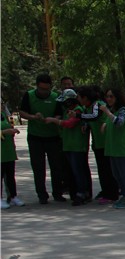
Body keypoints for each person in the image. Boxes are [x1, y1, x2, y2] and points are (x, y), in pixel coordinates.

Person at [19, 73, 67, 203]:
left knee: (56, 167)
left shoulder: (56, 97)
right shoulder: (29, 95)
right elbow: (22, 112)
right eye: (42, 89)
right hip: (35, 137)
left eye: (47, 89)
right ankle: (42, 195)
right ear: (37, 86)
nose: (45, 92)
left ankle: (58, 193)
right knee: (38, 167)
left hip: (53, 137)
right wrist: (33, 117)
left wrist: (52, 120)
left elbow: (59, 114)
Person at [47, 89, 90, 206]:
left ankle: (82, 193)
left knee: (78, 171)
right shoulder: (67, 111)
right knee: (73, 171)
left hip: (77, 146)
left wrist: (54, 121)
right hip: (68, 145)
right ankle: (78, 192)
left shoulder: (78, 110)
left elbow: (70, 124)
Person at [99, 88, 125, 209]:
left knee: (123, 174)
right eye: (107, 96)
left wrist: (106, 112)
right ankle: (124, 195)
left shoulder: (122, 111)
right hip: (112, 147)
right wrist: (105, 123)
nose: (109, 99)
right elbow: (109, 121)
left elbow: (119, 123)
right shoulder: (112, 110)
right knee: (116, 174)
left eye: (111, 96)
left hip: (120, 148)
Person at [1, 106, 22, 209]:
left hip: (8, 151)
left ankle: (13, 196)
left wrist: (13, 131)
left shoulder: (4, 115)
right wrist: (4, 132)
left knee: (10, 176)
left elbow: (10, 125)